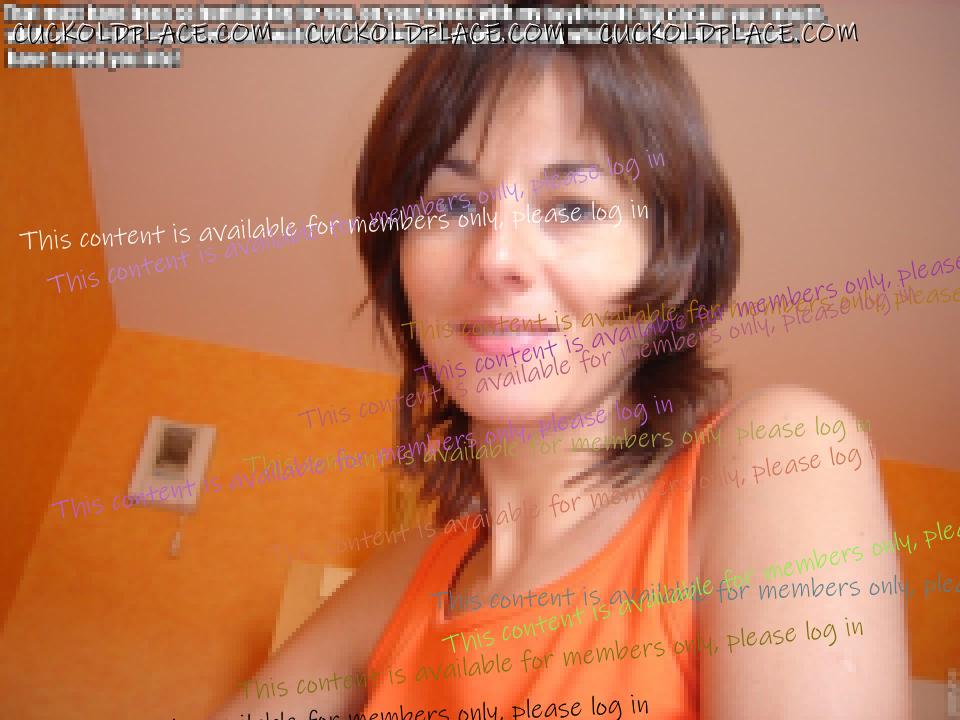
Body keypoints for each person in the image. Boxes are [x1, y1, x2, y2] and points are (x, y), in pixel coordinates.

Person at [211, 45, 908, 720]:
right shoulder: (401, 578)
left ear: (674, 261)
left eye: (572, 205)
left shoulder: (782, 460)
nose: (497, 257)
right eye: (451, 206)